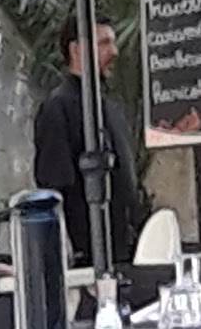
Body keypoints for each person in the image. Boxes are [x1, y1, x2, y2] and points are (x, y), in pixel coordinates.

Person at [33, 25, 151, 275]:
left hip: (124, 250)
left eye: (113, 42)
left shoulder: (112, 106)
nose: (115, 51)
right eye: (104, 43)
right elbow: (54, 184)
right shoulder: (58, 107)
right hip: (88, 257)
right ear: (76, 49)